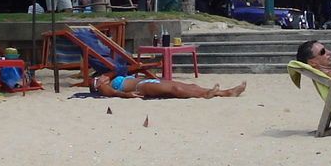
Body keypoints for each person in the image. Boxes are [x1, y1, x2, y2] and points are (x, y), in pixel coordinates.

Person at [95, 73, 246, 99]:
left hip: (149, 82)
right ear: (98, 84)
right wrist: (126, 95)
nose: (102, 76)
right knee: (176, 90)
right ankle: (204, 95)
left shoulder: (113, 78)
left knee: (191, 85)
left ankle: (227, 92)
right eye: (99, 78)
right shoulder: (102, 87)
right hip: (141, 87)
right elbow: (113, 93)